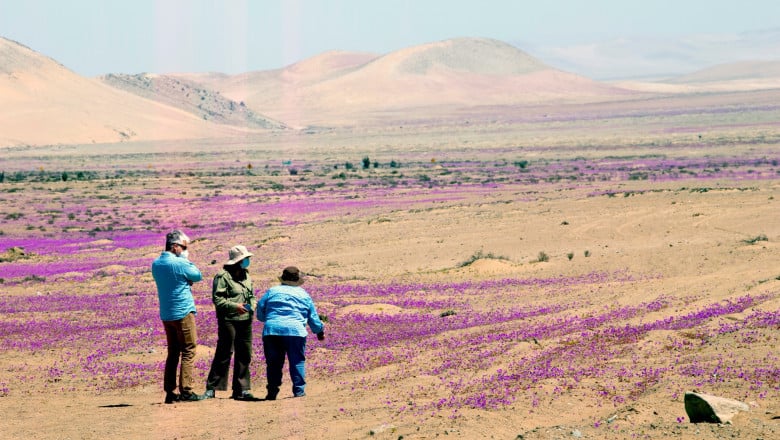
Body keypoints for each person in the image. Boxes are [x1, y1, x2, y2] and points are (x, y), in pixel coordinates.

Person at [151, 229, 205, 403]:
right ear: (175, 246)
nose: (184, 250)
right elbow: (197, 275)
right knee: (188, 350)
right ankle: (186, 390)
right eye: (183, 247)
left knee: (173, 351)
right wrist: (185, 260)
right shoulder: (180, 263)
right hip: (183, 312)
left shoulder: (156, 263)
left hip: (167, 313)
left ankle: (169, 391)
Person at [256, 266, 325, 400]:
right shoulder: (304, 295)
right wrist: (319, 331)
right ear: (297, 279)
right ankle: (299, 392)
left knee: (273, 363)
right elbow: (313, 318)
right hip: (295, 331)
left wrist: (267, 319)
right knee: (297, 361)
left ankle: (272, 391)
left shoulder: (272, 291)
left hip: (272, 331)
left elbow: (260, 307)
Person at [203, 245, 260, 401]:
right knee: (224, 352)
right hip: (228, 320)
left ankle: (242, 389)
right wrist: (236, 306)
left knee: (244, 353)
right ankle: (212, 387)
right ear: (238, 261)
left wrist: (252, 305)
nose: (248, 261)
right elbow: (218, 299)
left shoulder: (246, 275)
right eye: (245, 259)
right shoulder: (222, 276)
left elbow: (252, 295)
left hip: (245, 320)